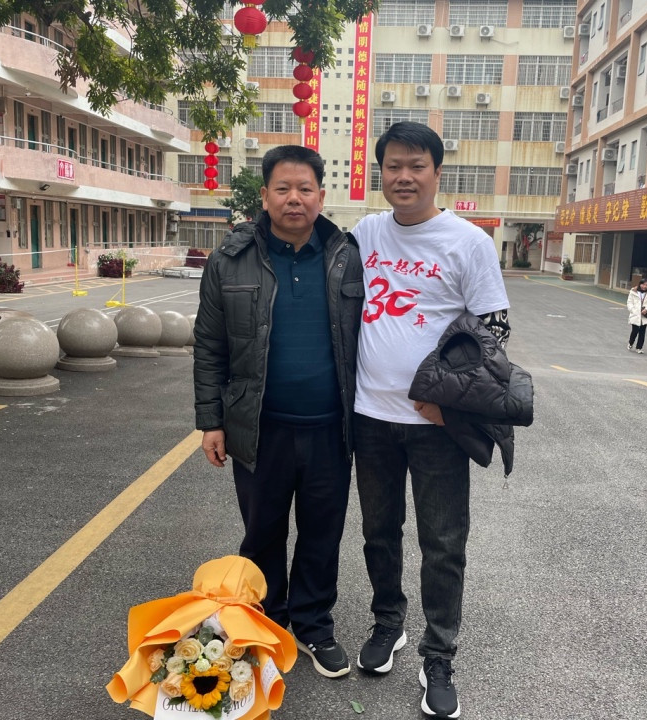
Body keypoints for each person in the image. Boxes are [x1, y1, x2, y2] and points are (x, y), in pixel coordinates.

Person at [351, 122, 510, 718]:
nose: (404, 177)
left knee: (443, 544)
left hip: (437, 428)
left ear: (437, 172)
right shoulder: (366, 232)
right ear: (381, 172)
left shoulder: (467, 242)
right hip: (370, 417)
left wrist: (451, 402)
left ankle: (439, 654)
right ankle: (387, 623)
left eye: (416, 166)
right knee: (378, 531)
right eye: (393, 166)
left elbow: (493, 334)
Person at [193, 145, 364, 677]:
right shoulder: (229, 260)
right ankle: (264, 621)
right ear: (264, 196)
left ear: (321, 196)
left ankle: (313, 624)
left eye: (305, 189)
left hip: (330, 428)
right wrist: (211, 421)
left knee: (322, 533)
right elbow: (209, 346)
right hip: (259, 428)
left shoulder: (346, 256)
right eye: (283, 188)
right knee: (262, 530)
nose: (295, 198)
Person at [626, 277, 647, 353]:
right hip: (635, 314)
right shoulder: (633, 292)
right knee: (635, 330)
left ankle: (639, 348)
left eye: (646, 285)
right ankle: (630, 343)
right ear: (640, 284)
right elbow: (629, 302)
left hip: (644, 315)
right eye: (643, 284)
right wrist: (633, 310)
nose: (644, 286)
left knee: (642, 331)